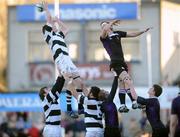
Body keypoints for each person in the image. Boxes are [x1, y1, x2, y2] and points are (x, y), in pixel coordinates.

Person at [40, 1, 83, 117]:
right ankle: (69, 108)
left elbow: (67, 29)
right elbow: (48, 19)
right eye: (52, 26)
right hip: (61, 58)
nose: (54, 26)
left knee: (80, 83)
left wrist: (57, 20)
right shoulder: (49, 36)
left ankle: (80, 107)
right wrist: (46, 9)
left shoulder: (59, 35)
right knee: (68, 79)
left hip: (68, 58)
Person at [100, 20, 151, 112]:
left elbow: (132, 34)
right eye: (103, 26)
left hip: (122, 62)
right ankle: (135, 102)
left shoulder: (117, 34)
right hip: (115, 63)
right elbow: (105, 29)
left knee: (123, 85)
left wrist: (143, 31)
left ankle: (123, 105)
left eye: (106, 25)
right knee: (128, 81)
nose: (105, 27)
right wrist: (111, 22)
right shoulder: (104, 38)